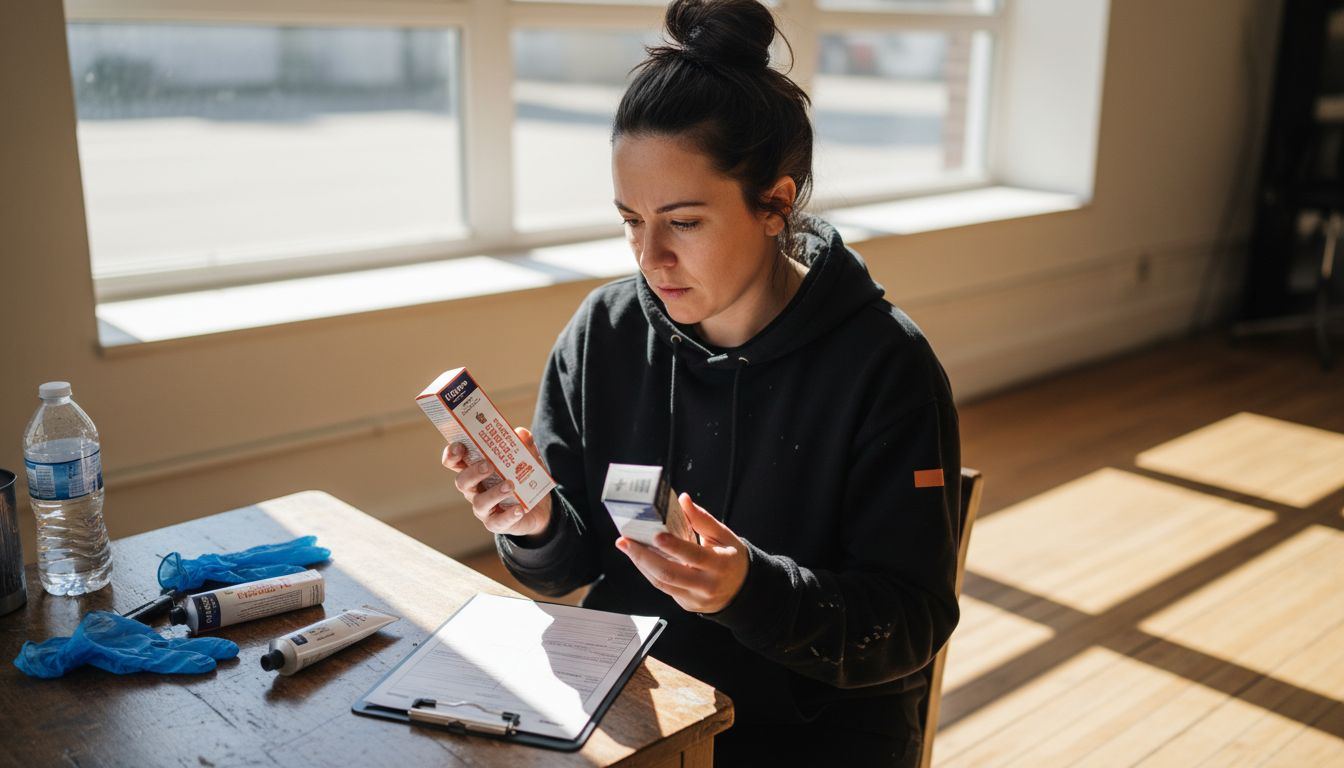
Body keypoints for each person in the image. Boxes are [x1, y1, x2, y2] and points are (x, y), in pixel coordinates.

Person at [441, 0, 961, 763]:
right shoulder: (604, 333)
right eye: (630, 220)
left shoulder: (885, 368)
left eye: (683, 221)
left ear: (775, 204)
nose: (649, 257)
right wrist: (531, 524)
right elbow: (574, 568)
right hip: (635, 711)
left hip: (806, 736)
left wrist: (748, 590)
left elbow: (907, 625)